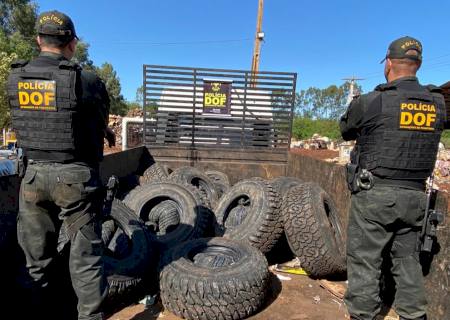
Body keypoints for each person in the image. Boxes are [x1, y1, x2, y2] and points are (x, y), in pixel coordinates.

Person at [7, 10, 115, 320]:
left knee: (34, 260)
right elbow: (97, 120)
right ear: (71, 42)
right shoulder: (87, 80)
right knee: (86, 258)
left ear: (39, 39)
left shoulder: (16, 76)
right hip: (74, 178)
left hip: (32, 177)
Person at [340, 36, 446, 320]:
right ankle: (414, 315)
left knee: (365, 261)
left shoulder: (373, 101)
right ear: (418, 64)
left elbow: (346, 130)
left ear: (388, 63)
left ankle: (363, 315)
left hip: (375, 194)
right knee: (407, 261)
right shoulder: (436, 102)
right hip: (416, 199)